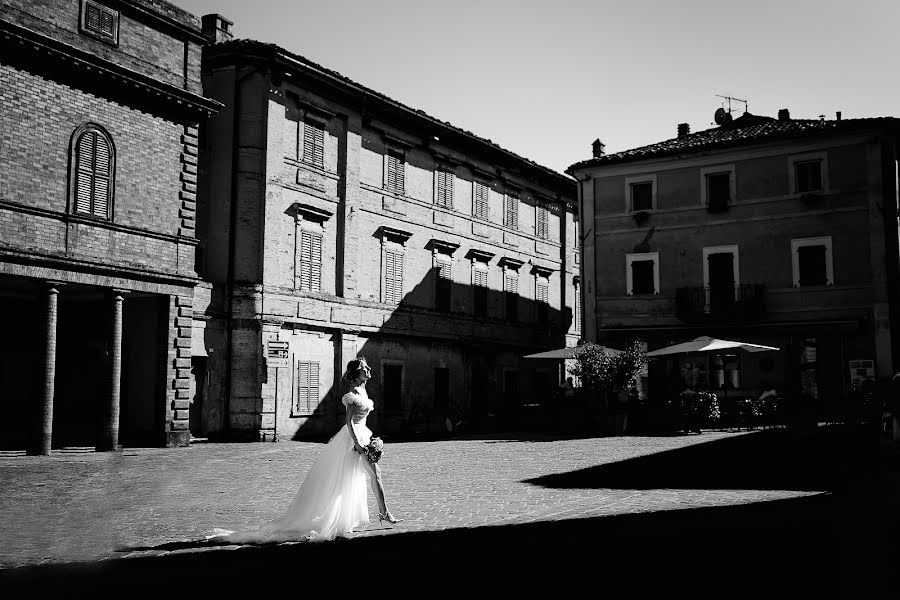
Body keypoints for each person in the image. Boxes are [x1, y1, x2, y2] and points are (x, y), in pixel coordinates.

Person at [207, 357, 399, 544]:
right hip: (352, 440)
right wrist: (357, 443)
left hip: (363, 435)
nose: (369, 370)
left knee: (363, 477)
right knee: (359, 477)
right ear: (358, 374)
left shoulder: (363, 390)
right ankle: (381, 513)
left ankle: (379, 513)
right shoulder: (353, 394)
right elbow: (348, 422)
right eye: (366, 368)